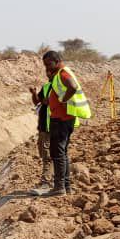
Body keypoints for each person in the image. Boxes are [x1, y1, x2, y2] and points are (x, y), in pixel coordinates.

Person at [41, 51, 92, 196]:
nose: (47, 68)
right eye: (45, 65)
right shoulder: (59, 74)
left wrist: (63, 99)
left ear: (57, 61)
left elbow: (73, 87)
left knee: (57, 153)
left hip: (61, 120)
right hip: (64, 119)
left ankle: (59, 188)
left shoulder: (63, 73)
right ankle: (66, 186)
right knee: (62, 153)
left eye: (49, 64)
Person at [28, 67, 53, 193]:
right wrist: (34, 93)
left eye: (51, 71)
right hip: (44, 127)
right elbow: (38, 102)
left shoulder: (60, 88)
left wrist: (48, 102)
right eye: (47, 71)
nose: (48, 73)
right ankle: (52, 180)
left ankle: (47, 183)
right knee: (44, 154)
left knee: (48, 155)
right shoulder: (47, 86)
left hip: (53, 127)